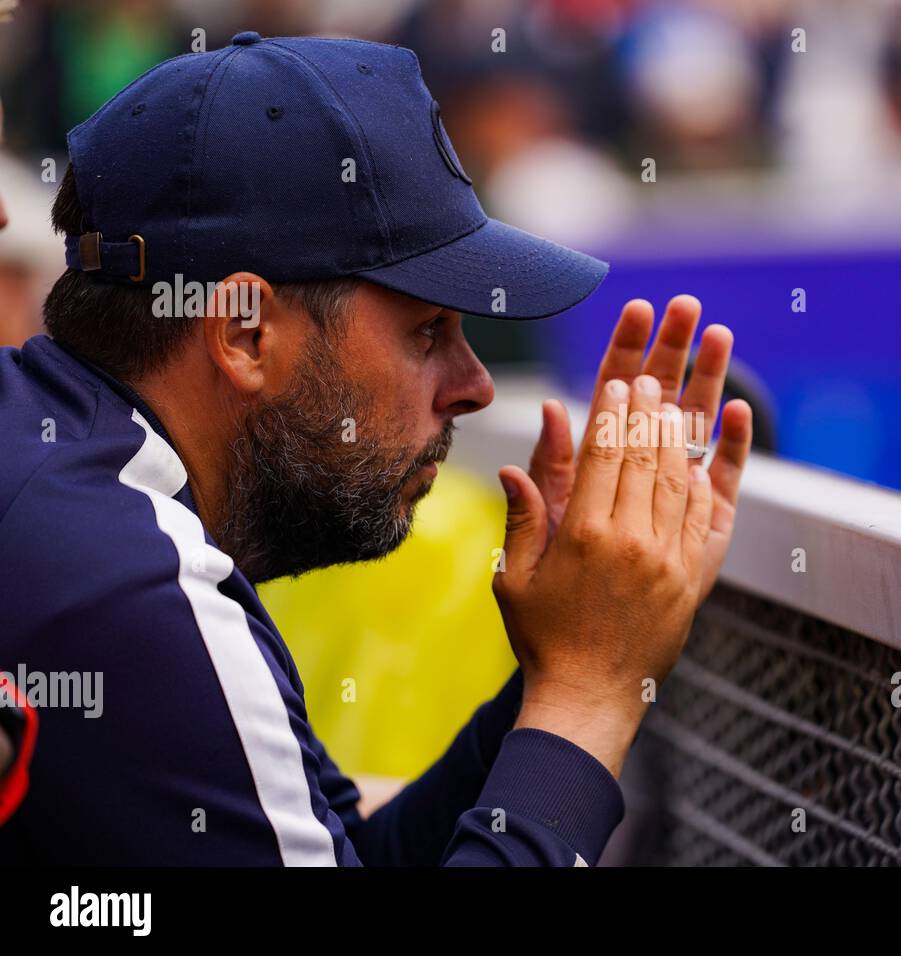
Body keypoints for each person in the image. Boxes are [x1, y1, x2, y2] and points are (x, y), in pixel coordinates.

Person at [0, 33, 752, 866]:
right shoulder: (129, 583)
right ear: (246, 333)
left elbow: (345, 853)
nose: (475, 385)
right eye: (427, 330)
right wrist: (589, 693)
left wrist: (573, 655)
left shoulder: (86, 484)